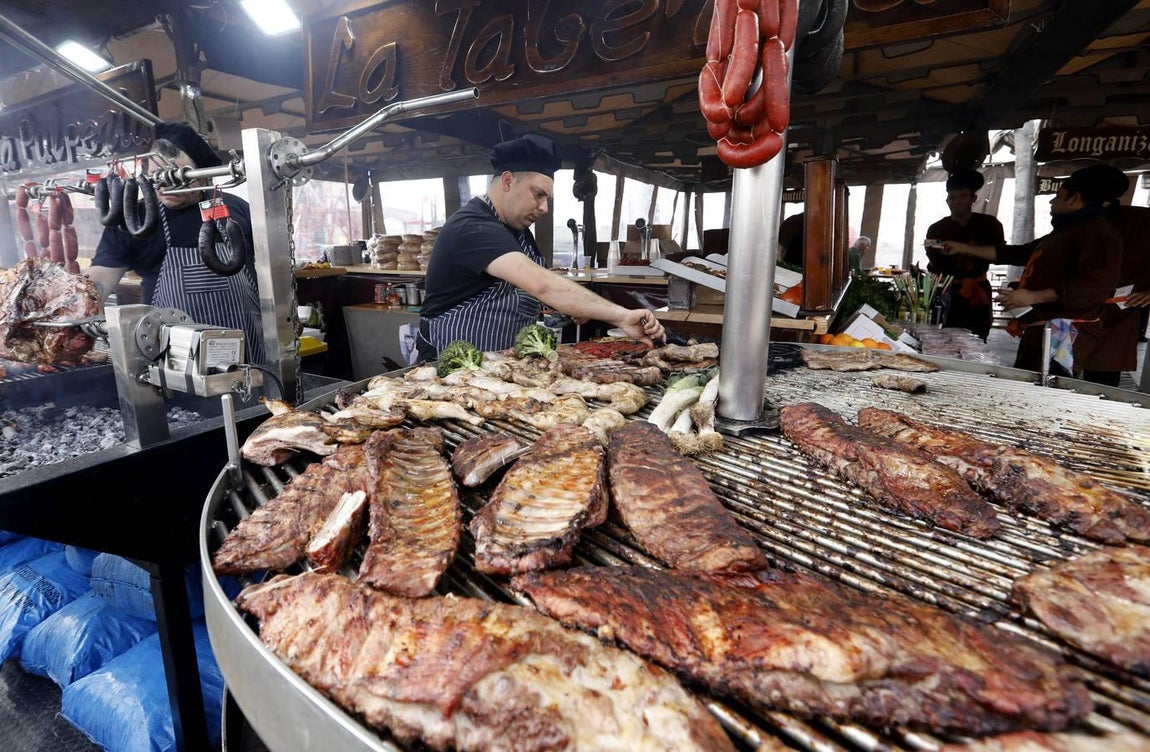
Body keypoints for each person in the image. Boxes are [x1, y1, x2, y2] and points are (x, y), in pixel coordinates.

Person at [417, 134, 664, 360]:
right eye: (538, 194)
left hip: (500, 366)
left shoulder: (518, 232)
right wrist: (621, 316)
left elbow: (531, 287)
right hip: (453, 366)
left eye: (547, 199)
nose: (544, 208)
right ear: (507, 181)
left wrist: (569, 305)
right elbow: (541, 284)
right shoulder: (472, 227)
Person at [86, 122, 266, 365]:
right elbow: (100, 277)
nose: (166, 186)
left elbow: (268, 270)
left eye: (179, 177)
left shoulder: (237, 209)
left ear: (201, 175)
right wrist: (74, 313)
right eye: (157, 178)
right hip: (173, 356)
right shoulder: (133, 218)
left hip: (246, 346)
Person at [937, 165, 1122, 376]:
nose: (1052, 202)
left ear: (1074, 198)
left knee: (1046, 389)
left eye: (1059, 196)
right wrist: (961, 247)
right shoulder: (1067, 231)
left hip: (1063, 336)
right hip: (1043, 329)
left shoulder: (1098, 234)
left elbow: (1095, 287)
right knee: (1030, 379)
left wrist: (1032, 296)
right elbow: (1019, 253)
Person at [1081, 165, 1150, 385]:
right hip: (1069, 313)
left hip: (1116, 315)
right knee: (1056, 373)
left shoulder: (1140, 221)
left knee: (1100, 382)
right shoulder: (1073, 222)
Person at [923, 169, 1004, 340]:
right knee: (942, 337)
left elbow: (1000, 255)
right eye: (953, 197)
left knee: (977, 339)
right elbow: (934, 264)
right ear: (947, 200)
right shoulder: (936, 228)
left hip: (976, 291)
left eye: (963, 195)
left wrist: (964, 249)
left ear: (973, 198)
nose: (957, 201)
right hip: (946, 292)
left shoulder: (990, 225)